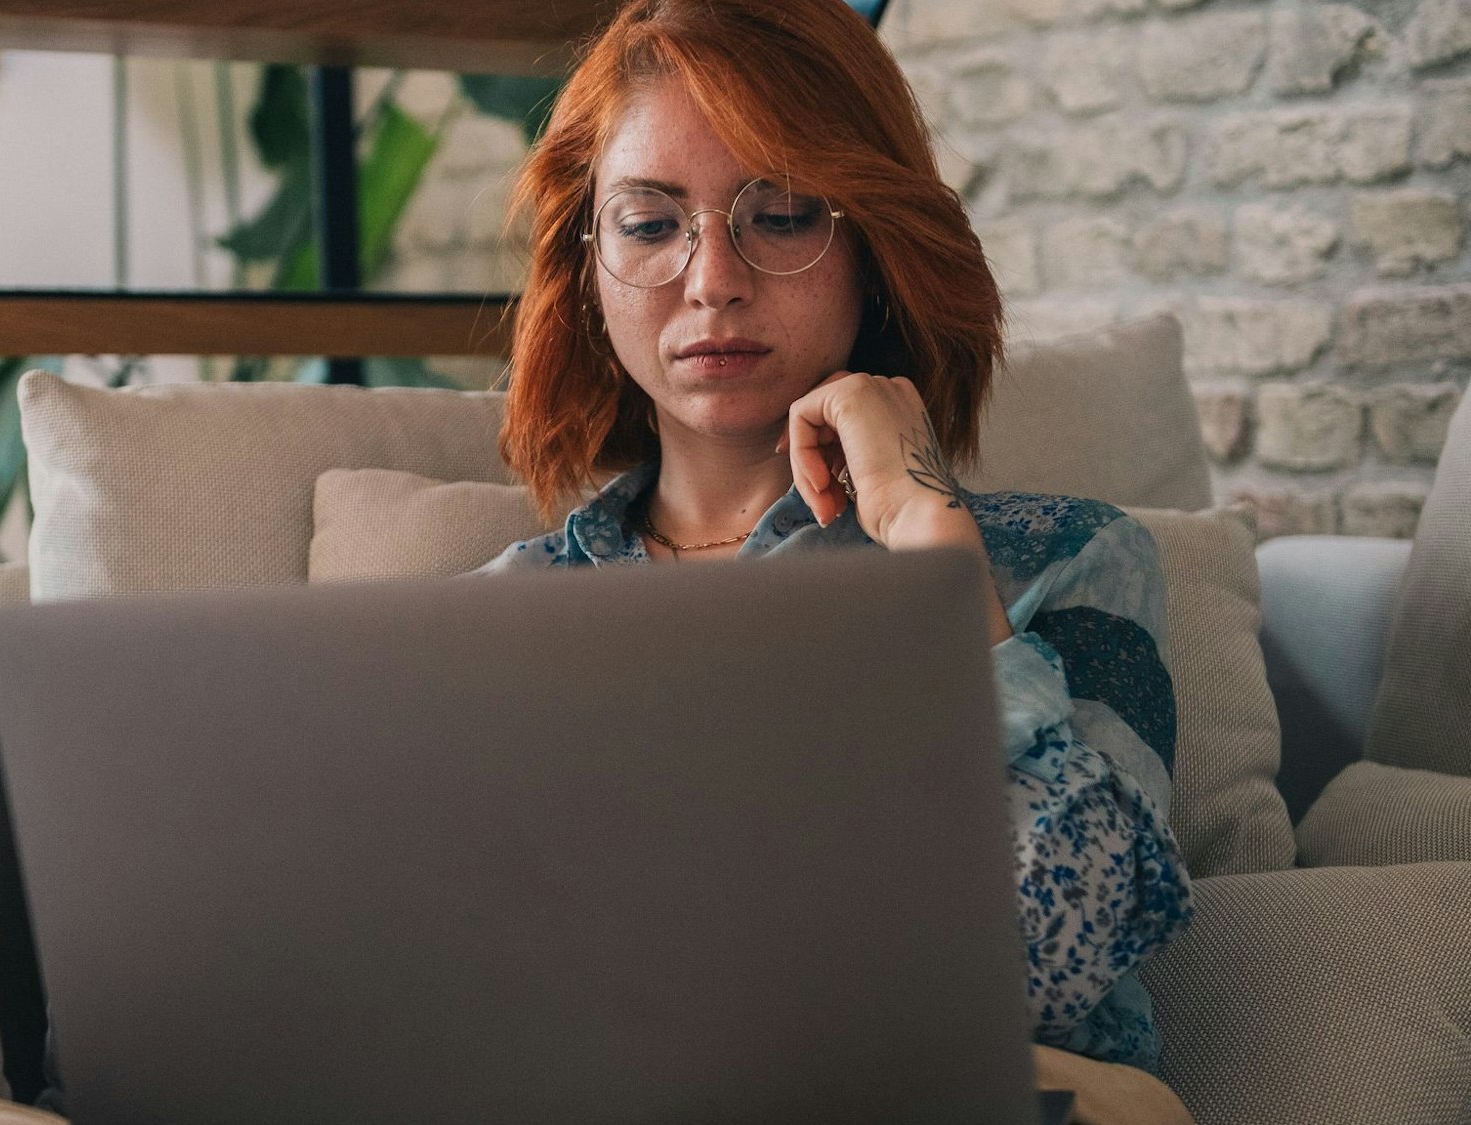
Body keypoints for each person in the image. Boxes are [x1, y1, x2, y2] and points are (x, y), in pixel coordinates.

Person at [479, 0, 1196, 1108]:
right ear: (586, 264)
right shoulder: (495, 621)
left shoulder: (1064, 563)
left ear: (873, 243)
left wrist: (928, 550)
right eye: (647, 222)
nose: (711, 277)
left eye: (778, 214)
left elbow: (1057, 959)